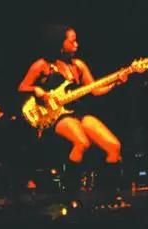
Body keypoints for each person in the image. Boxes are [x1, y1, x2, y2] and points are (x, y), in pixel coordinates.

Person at [18, 25, 129, 198]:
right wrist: (36, 90)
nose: (77, 44)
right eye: (72, 41)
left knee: (114, 146)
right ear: (60, 44)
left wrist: (116, 82)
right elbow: (22, 87)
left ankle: (107, 195)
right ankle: (71, 194)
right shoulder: (43, 65)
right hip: (56, 115)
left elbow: (95, 90)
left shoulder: (78, 66)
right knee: (82, 142)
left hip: (78, 113)